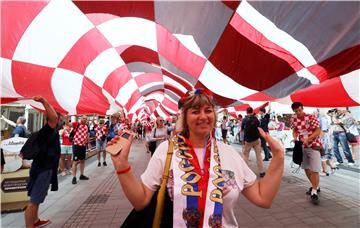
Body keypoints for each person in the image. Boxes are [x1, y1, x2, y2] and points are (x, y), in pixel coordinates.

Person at [109, 88, 284, 227]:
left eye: (208, 110)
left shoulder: (229, 153)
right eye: (195, 111)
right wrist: (121, 165)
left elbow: (263, 198)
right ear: (184, 117)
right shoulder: (167, 150)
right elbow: (141, 201)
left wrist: (278, 157)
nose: (203, 116)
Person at [24, 96, 60, 228]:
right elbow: (54, 118)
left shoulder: (44, 132)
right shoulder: (47, 131)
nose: (57, 119)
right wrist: (44, 101)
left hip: (40, 168)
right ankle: (29, 226)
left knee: (37, 198)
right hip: (43, 170)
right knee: (34, 201)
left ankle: (36, 220)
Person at [290, 102, 322, 205]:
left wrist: (309, 138)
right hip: (302, 146)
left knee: (315, 169)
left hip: (314, 145)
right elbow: (294, 130)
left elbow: (318, 131)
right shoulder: (293, 119)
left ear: (302, 108)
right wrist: (295, 138)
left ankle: (314, 192)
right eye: (296, 111)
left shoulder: (311, 117)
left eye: (299, 110)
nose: (298, 113)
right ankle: (315, 186)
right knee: (306, 168)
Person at [242, 107, 266, 177]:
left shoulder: (244, 120)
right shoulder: (256, 119)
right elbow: (259, 127)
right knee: (259, 156)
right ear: (252, 111)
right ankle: (261, 172)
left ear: (246, 112)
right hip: (256, 140)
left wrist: (244, 140)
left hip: (248, 141)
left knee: (246, 156)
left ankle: (245, 172)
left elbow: (242, 130)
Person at [71, 115, 90, 184]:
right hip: (76, 145)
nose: (84, 119)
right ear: (80, 118)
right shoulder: (77, 124)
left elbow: (87, 134)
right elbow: (68, 124)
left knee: (82, 160)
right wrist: (68, 116)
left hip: (83, 145)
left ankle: (81, 175)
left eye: (86, 119)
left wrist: (88, 143)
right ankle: (74, 177)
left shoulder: (86, 126)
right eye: (83, 118)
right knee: (75, 161)